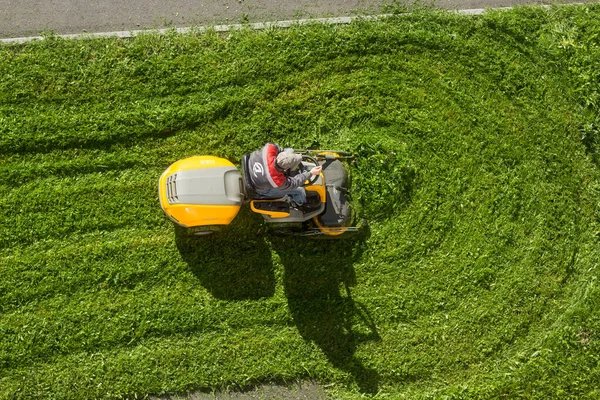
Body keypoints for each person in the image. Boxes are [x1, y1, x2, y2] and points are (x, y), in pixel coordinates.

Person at [248, 143, 322, 205]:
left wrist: (287, 156)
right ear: (285, 169)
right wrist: (310, 173)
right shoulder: (276, 181)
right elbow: (293, 184)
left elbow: (277, 147)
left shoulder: (269, 149)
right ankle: (301, 203)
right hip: (260, 189)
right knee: (299, 190)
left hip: (251, 167)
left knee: (290, 150)